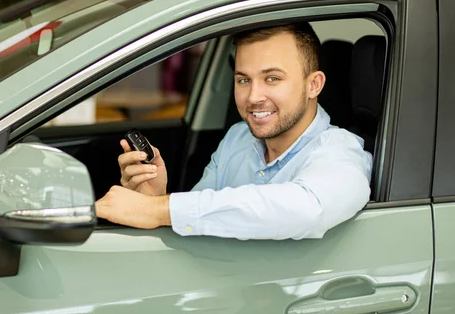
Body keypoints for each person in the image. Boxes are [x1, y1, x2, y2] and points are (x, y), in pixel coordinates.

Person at [95, 23, 373, 240]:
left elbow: (306, 210)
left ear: (314, 85)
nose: (253, 96)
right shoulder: (238, 138)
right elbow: (201, 223)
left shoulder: (341, 151)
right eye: (243, 80)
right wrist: (156, 198)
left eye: (272, 78)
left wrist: (157, 210)